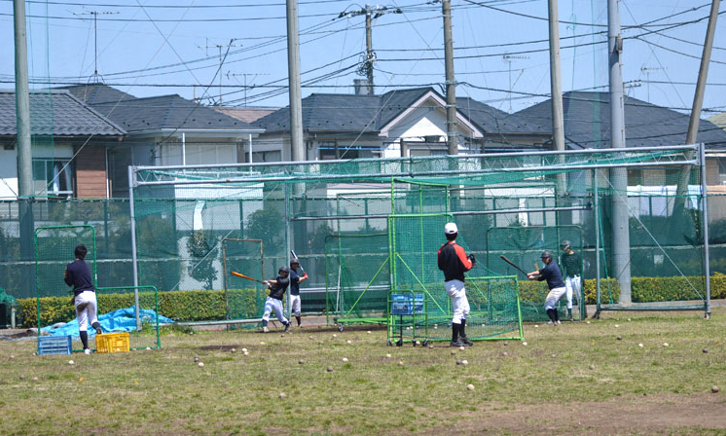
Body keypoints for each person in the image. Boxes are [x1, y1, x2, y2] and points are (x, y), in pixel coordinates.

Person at [437, 222, 476, 347]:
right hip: (456, 283)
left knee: (466, 309)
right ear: (457, 234)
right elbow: (466, 266)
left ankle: (462, 336)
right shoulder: (459, 249)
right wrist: (470, 262)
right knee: (458, 312)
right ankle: (454, 340)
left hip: (449, 282)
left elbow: (440, 266)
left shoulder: (441, 250)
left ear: (445, 234)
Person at [64, 245, 102, 354]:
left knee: (82, 324)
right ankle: (98, 328)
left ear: (75, 253)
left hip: (80, 296)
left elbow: (70, 282)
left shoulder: (70, 266)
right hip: (91, 294)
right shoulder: (86, 266)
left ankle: (86, 348)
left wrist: (65, 276)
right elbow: (83, 283)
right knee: (93, 319)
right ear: (84, 255)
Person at [527, 250, 566, 325]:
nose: (543, 259)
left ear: (549, 258)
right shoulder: (552, 264)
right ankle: (557, 320)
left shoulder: (550, 268)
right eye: (543, 258)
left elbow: (541, 278)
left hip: (557, 289)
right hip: (561, 288)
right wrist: (531, 273)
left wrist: (533, 278)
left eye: (544, 258)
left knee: (548, 305)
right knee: (552, 304)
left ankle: (553, 321)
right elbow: (542, 271)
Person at [261, 266, 292, 333]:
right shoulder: (277, 278)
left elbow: (278, 282)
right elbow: (272, 287)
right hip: (270, 298)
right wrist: (268, 284)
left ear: (286, 273)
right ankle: (265, 327)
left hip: (277, 300)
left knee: (280, 317)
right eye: (281, 272)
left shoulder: (286, 280)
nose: (282, 273)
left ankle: (287, 324)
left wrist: (268, 281)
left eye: (284, 272)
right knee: (267, 312)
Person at [560, 240, 583, 321]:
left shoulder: (577, 255)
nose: (563, 248)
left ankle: (581, 314)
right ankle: (570, 315)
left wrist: (582, 279)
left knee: (578, 296)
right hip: (568, 278)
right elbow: (563, 267)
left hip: (576, 277)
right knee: (568, 296)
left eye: (564, 246)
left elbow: (581, 267)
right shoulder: (563, 256)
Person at [289, 258, 308, 327]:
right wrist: (304, 277)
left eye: (296, 264)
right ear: (292, 265)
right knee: (289, 310)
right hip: (290, 294)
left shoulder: (295, 272)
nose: (296, 265)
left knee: (297, 310)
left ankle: (299, 324)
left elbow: (298, 282)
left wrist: (303, 278)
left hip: (296, 293)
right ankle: (287, 324)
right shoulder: (291, 271)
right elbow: (298, 278)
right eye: (294, 264)